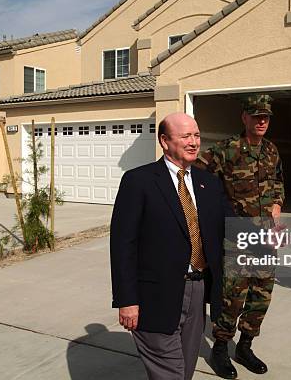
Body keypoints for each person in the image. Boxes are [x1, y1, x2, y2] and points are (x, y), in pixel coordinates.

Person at [110, 113, 230, 380]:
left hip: (198, 290)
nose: (194, 142)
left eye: (196, 135)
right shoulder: (138, 181)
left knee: (185, 371)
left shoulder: (207, 182)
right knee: (171, 374)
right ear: (164, 141)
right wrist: (127, 300)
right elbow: (122, 245)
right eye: (186, 136)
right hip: (154, 296)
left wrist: (268, 231)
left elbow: (230, 224)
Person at [195, 94, 284, 379]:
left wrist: (278, 206)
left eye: (265, 117)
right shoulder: (225, 150)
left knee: (261, 296)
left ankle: (245, 346)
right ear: (244, 117)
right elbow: (197, 178)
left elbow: (278, 182)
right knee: (233, 296)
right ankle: (220, 347)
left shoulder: (271, 150)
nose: (261, 121)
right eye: (256, 116)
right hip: (237, 237)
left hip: (266, 236)